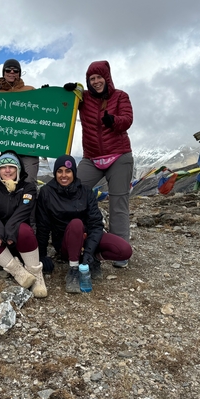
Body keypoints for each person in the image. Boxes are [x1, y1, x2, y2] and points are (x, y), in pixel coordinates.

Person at [64, 60, 134, 267]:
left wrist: (113, 120)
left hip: (119, 156)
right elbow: (68, 101)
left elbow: (128, 119)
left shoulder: (121, 96)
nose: (95, 82)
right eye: (91, 79)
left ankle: (119, 253)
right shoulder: (83, 98)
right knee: (72, 191)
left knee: (118, 204)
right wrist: (65, 92)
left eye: (99, 77)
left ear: (107, 78)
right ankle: (75, 240)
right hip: (91, 158)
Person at [36, 155, 133, 293]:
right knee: (76, 224)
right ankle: (74, 270)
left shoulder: (86, 191)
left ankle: (93, 259)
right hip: (66, 243)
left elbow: (95, 223)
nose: (64, 175)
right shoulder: (46, 192)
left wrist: (89, 253)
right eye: (60, 171)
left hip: (87, 239)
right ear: (55, 173)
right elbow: (43, 225)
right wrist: (42, 255)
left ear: (74, 172)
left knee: (124, 250)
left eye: (68, 171)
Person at [0, 151, 47, 298]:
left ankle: (37, 275)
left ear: (18, 169)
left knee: (23, 229)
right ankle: (19, 272)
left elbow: (23, 212)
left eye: (12, 167)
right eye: (3, 167)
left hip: (20, 240)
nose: (8, 170)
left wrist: (9, 230)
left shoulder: (28, 188)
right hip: (0, 241)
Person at [0, 59, 39, 184]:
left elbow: (42, 109)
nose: (12, 72)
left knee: (29, 181)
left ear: (19, 73)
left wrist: (46, 93)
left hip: (29, 147)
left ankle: (29, 203)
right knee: (8, 182)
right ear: (3, 72)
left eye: (15, 70)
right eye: (8, 70)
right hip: (8, 147)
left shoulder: (30, 90)